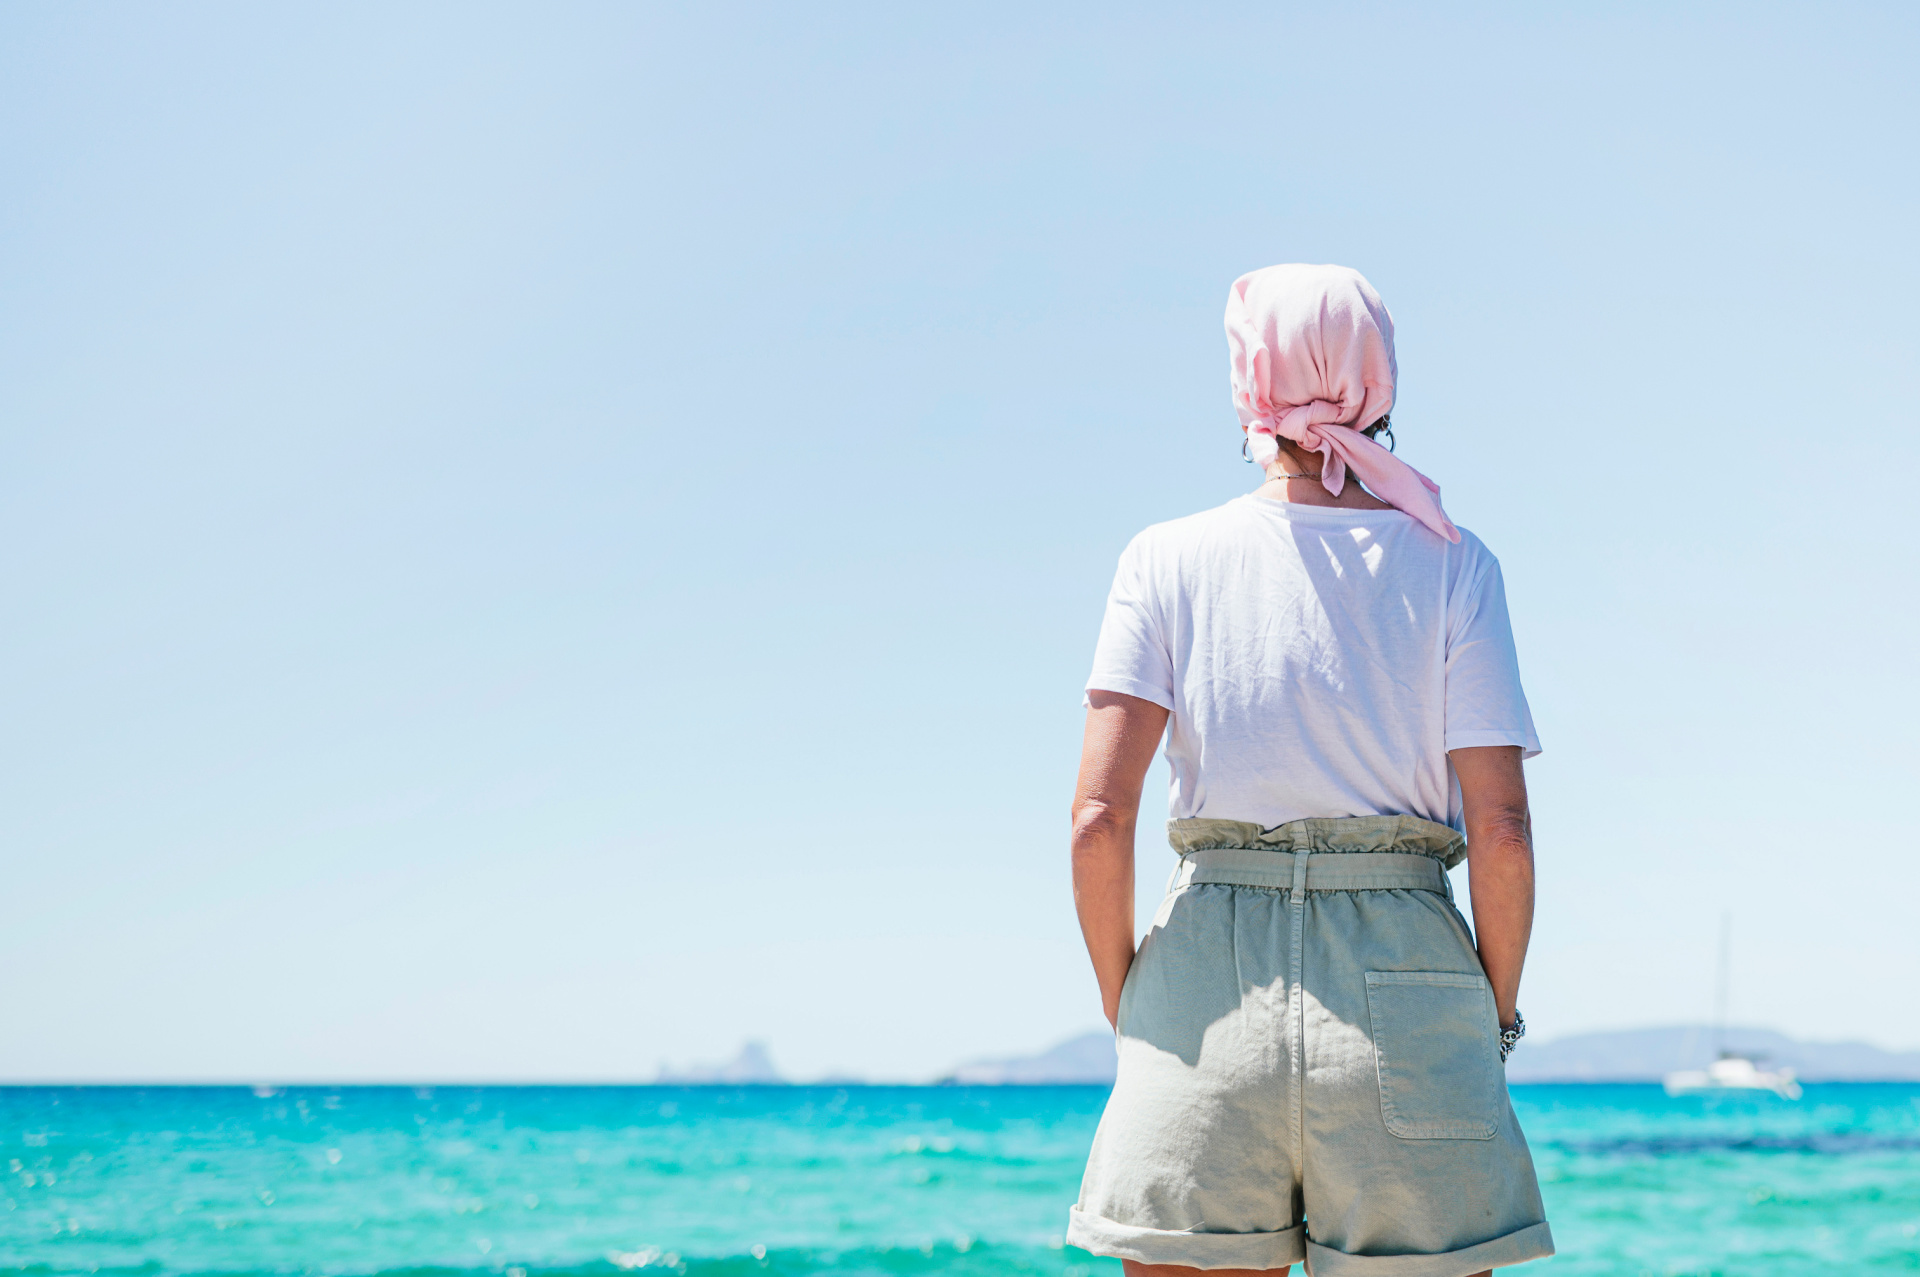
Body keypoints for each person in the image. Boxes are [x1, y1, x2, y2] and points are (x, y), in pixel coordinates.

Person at [1065, 264, 1553, 1277]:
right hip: (1406, 976)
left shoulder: (1164, 558)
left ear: (1248, 384)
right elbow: (1501, 828)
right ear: (1382, 383)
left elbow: (1097, 819)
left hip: (1204, 983)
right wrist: (1488, 1016)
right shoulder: (1455, 562)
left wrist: (1134, 1003)